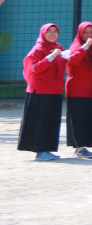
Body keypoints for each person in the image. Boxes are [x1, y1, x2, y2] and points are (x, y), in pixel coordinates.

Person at [18, 23, 66, 161]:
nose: (52, 34)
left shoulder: (58, 47)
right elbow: (35, 68)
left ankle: (47, 149)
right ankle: (40, 150)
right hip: (40, 91)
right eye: (49, 31)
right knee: (41, 120)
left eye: (55, 31)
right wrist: (51, 57)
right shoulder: (38, 49)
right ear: (43, 33)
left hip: (54, 90)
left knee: (51, 120)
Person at [65, 21, 92, 159]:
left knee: (87, 118)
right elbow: (74, 60)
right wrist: (85, 46)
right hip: (77, 90)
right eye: (85, 32)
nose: (89, 35)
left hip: (90, 90)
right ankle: (79, 148)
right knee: (78, 119)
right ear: (80, 34)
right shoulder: (76, 46)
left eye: (91, 32)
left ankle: (84, 146)